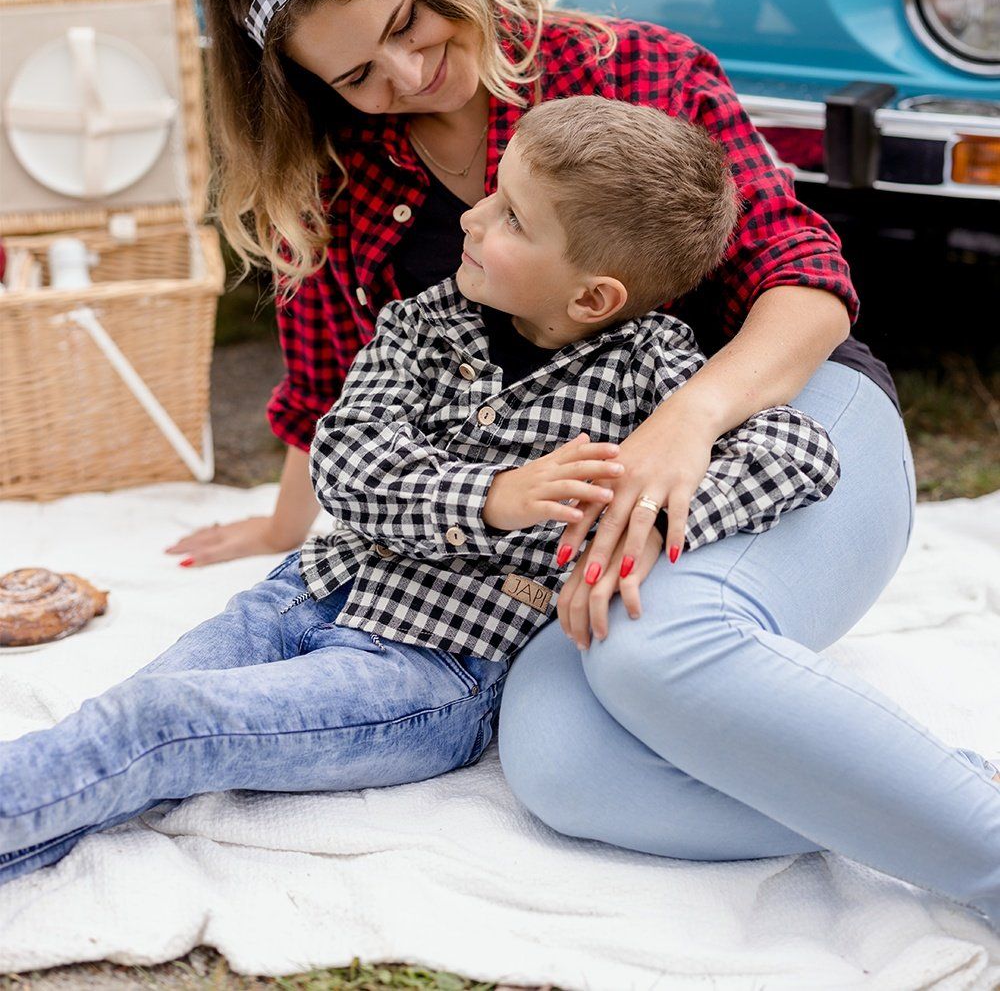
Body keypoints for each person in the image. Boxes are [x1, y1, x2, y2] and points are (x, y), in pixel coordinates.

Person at [160, 0, 998, 928]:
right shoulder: (339, 176)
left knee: (653, 645)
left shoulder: (635, 70)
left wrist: (682, 423)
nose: (407, 77)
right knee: (565, 770)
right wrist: (283, 519)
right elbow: (331, 380)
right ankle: (936, 791)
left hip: (784, 427)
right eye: (359, 75)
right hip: (599, 510)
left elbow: (804, 281)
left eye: (411, 24)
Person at [0, 97, 841, 884]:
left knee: (162, 726)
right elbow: (348, 461)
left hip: (430, 668)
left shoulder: (652, 370)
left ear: (593, 295)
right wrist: (493, 496)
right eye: (492, 193)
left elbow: (802, 452)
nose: (472, 218)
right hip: (306, 594)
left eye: (511, 216)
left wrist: (644, 519)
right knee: (126, 721)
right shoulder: (421, 323)